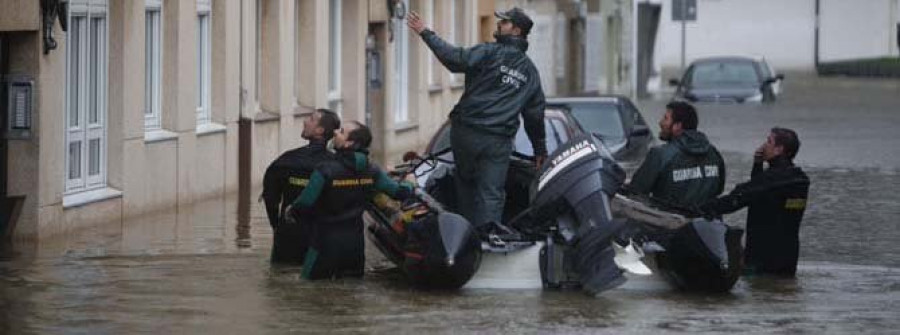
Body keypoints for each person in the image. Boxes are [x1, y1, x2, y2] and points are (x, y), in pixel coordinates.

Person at [406, 8, 547, 236]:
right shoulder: (530, 73)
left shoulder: (489, 52)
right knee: (491, 192)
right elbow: (534, 115)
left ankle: (465, 238)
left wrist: (426, 33)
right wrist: (540, 149)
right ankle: (488, 240)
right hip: (497, 141)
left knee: (467, 185)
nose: (499, 23)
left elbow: (455, 59)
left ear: (517, 30)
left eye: (505, 22)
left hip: (466, 133)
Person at [288, 121, 414, 280]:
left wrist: (291, 212)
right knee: (351, 294)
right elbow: (400, 192)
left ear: (350, 143)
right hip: (354, 247)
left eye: (341, 131)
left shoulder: (324, 170)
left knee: (309, 292)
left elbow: (303, 205)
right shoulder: (372, 170)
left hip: (323, 244)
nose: (334, 132)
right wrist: (410, 181)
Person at [700, 127, 810, 277]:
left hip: (762, 261)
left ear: (779, 149)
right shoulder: (800, 180)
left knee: (758, 294)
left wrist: (703, 209)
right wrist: (758, 164)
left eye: (769, 141)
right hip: (788, 261)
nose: (764, 145)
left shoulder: (772, 181)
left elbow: (738, 199)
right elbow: (759, 193)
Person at [261, 108, 341, 264]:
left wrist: (276, 226)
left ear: (320, 130)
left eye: (311, 119)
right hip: (323, 237)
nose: (305, 121)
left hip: (289, 235)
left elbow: (270, 198)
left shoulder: (286, 161)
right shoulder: (338, 165)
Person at [626, 101, 726, 210]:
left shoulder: (660, 155)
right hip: (708, 224)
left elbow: (635, 192)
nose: (660, 122)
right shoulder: (714, 154)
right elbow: (719, 190)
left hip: (669, 223)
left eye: (666, 118)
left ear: (678, 126)